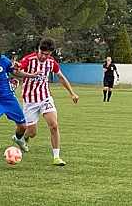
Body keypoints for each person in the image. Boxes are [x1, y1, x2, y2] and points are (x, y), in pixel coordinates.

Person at [18, 38, 79, 166]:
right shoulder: (28, 60)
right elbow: (17, 72)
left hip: (45, 97)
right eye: (43, 53)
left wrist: (72, 93)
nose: (45, 56)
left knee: (54, 125)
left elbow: (61, 77)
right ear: (38, 50)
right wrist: (31, 74)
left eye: (48, 54)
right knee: (33, 132)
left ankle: (56, 157)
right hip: (30, 100)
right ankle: (22, 138)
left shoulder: (51, 62)